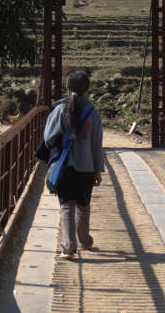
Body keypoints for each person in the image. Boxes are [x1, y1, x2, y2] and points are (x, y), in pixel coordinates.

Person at [43, 70, 104, 259]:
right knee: (83, 205)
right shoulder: (93, 113)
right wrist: (97, 170)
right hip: (87, 168)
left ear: (67, 88)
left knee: (66, 205)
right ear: (87, 90)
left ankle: (68, 246)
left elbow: (48, 138)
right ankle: (84, 241)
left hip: (66, 166)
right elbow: (97, 145)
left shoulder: (60, 110)